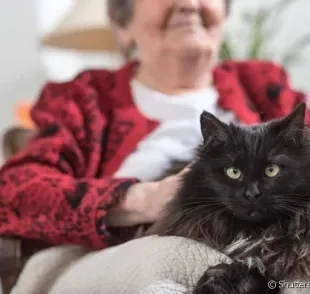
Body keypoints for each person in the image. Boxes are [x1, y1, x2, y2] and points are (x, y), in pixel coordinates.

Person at [0, 0, 309, 251]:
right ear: (122, 24)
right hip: (136, 254)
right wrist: (143, 200)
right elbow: (13, 192)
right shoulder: (85, 98)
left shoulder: (263, 83)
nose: (189, 4)